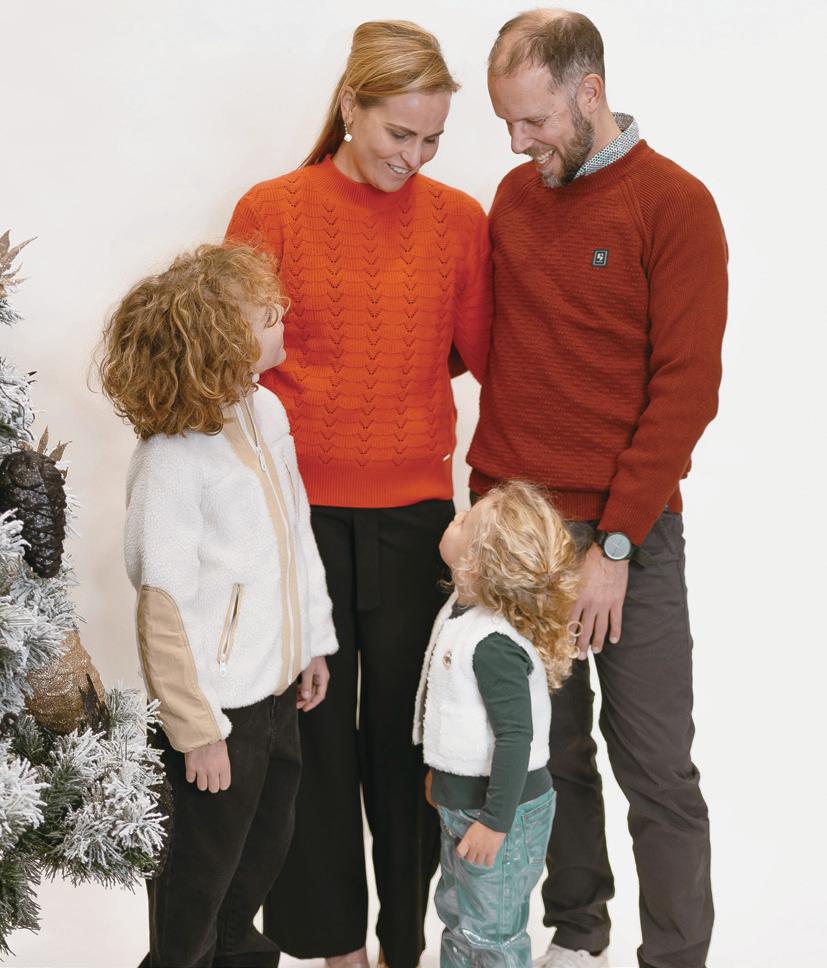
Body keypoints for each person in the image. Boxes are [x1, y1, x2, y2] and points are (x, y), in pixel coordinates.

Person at [226, 20, 492, 968]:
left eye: (432, 140)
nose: (413, 157)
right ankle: (335, 950)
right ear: (351, 105)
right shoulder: (271, 209)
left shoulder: (458, 220)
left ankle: (403, 947)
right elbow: (235, 367)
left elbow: (480, 355)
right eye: (398, 134)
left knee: (416, 738)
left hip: (418, 518)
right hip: (295, 517)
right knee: (312, 739)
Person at [467, 10, 728, 968]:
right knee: (546, 752)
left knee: (654, 765)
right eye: (504, 121)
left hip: (628, 535)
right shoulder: (512, 198)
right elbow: (488, 345)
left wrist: (614, 545)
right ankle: (577, 935)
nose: (515, 143)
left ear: (589, 92)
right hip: (514, 531)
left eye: (532, 120)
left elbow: (685, 391)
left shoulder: (674, 205)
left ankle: (675, 957)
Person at [98, 243, 338, 968]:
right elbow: (162, 608)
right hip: (215, 713)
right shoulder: (173, 458)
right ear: (218, 343)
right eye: (265, 316)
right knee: (194, 890)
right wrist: (194, 729)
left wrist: (312, 640)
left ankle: (237, 956)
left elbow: (294, 535)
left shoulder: (265, 411)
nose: (281, 318)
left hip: (274, 696)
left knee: (258, 857)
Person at [413, 481, 580, 966]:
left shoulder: (493, 643)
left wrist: (494, 823)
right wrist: (444, 775)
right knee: (459, 917)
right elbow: (454, 714)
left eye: (464, 521)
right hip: (465, 805)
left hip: (501, 812)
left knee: (492, 932)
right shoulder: (460, 613)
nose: (455, 518)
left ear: (474, 563)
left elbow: (515, 738)